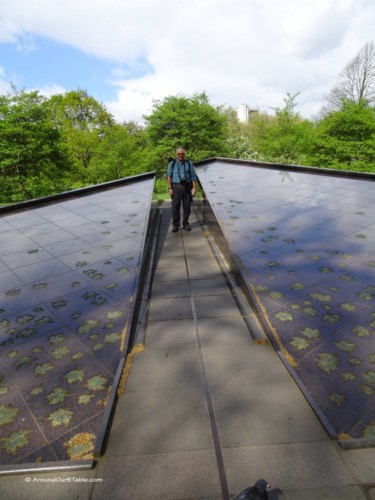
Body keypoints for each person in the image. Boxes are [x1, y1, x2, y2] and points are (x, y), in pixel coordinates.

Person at [167, 148, 197, 232]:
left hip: (187, 187)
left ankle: (185, 223)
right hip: (176, 187)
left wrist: (194, 188)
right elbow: (169, 176)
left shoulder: (189, 163)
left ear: (184, 154)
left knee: (187, 206)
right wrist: (170, 188)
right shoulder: (172, 164)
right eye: (179, 154)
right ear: (176, 154)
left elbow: (193, 177)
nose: (181, 155)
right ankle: (175, 225)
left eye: (182, 154)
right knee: (175, 207)